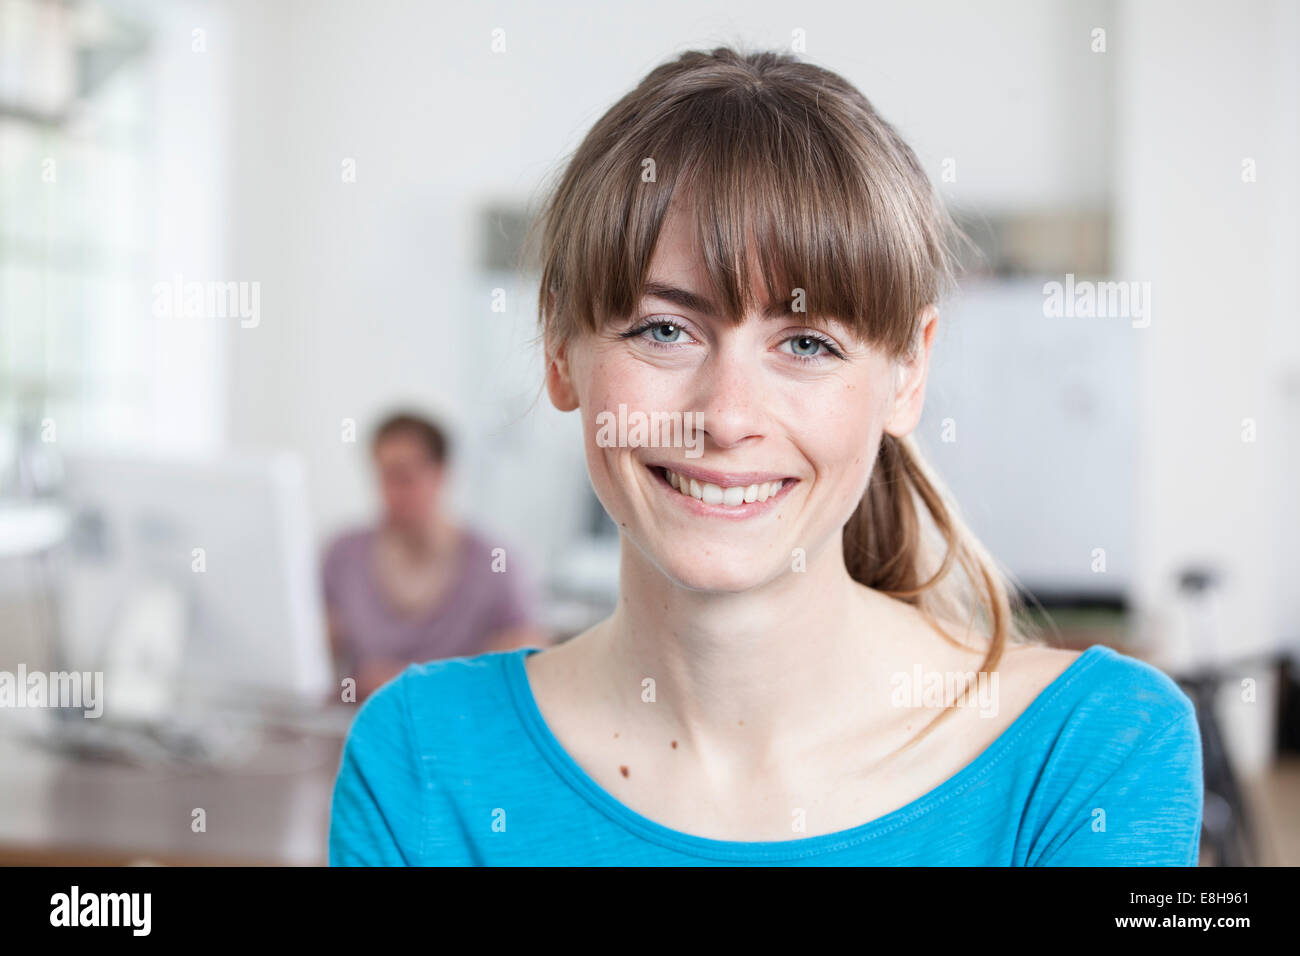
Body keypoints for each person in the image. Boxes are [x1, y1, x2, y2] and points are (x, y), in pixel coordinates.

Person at [330, 48, 1203, 865]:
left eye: (808, 345)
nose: (727, 417)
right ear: (559, 348)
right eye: (664, 330)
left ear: (908, 375)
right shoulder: (419, 761)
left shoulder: (1095, 751)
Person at [322, 412, 545, 700]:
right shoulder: (343, 555)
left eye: (404, 477)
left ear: (441, 474)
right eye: (383, 475)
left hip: (451, 733)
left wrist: (414, 685)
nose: (390, 493)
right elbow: (313, 649)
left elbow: (524, 673)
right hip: (361, 726)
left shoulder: (496, 564)